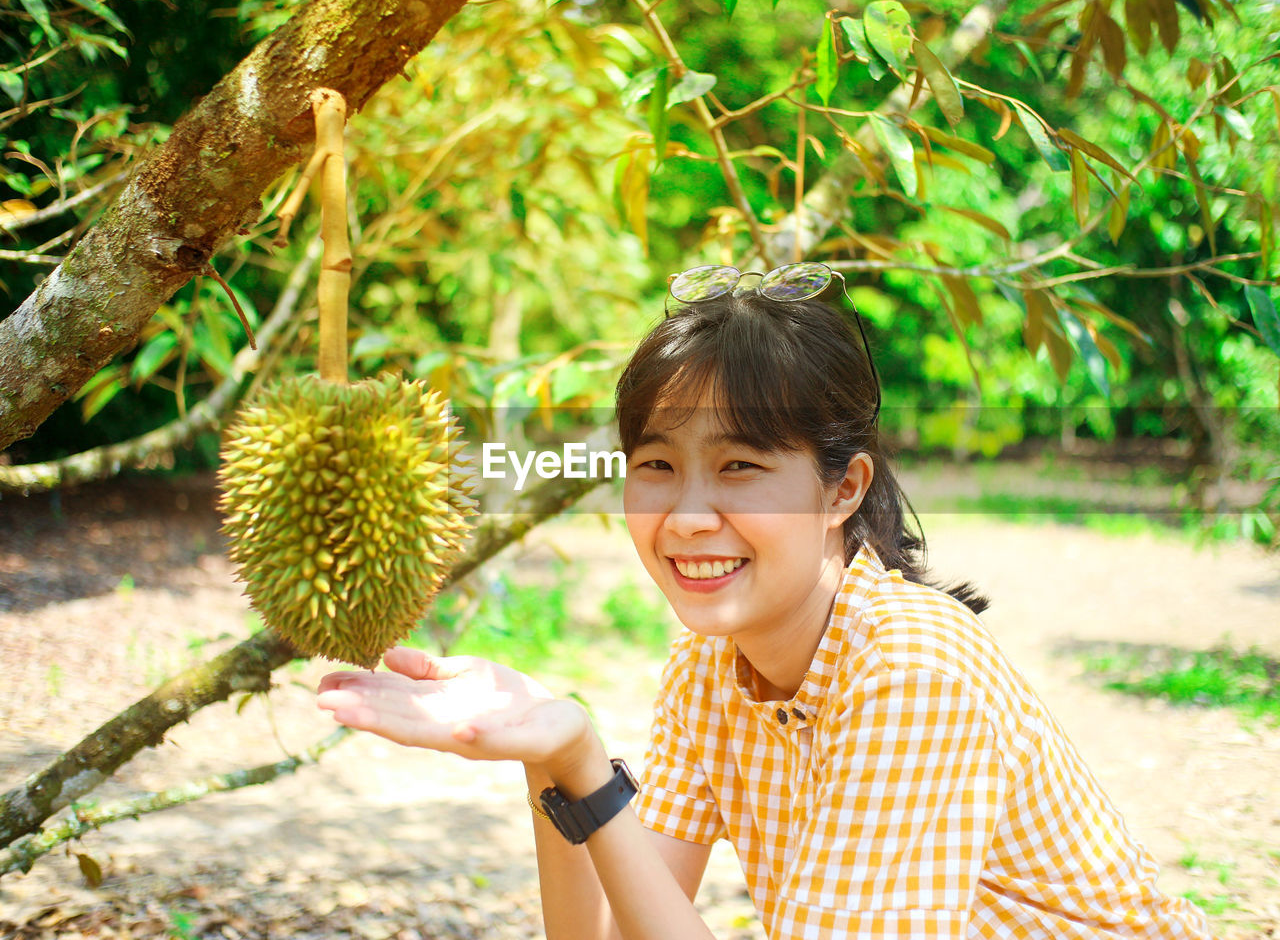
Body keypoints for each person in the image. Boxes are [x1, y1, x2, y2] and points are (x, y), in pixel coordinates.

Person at [317, 262, 1211, 939]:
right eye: (657, 467)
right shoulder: (712, 666)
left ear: (841, 490)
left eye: (741, 468)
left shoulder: (911, 669)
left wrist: (587, 767)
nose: (687, 518)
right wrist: (555, 753)